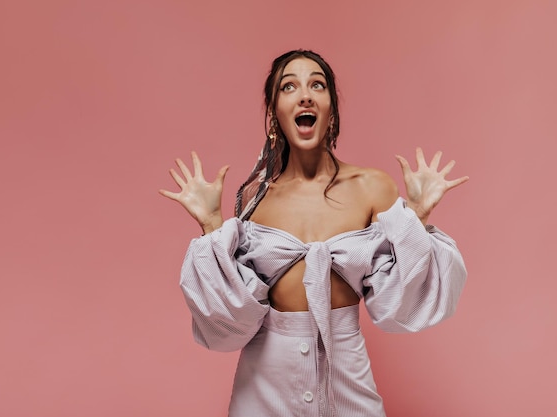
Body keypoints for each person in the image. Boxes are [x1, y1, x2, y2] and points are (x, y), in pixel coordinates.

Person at [159, 49, 469, 417]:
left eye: (317, 85)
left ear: (331, 110)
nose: (304, 94)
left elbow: (396, 305)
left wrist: (417, 215)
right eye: (288, 86)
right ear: (275, 114)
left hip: (346, 376)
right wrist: (212, 223)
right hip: (263, 383)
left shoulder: (372, 187)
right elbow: (232, 322)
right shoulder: (256, 197)